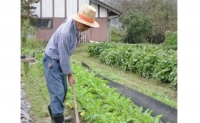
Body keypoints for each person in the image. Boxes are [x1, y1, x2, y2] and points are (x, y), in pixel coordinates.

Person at [42, 4, 99, 123]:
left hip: (59, 59)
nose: (87, 29)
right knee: (57, 93)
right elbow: (63, 56)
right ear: (79, 22)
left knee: (63, 91)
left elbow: (65, 55)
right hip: (52, 61)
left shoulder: (75, 26)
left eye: (89, 26)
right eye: (86, 26)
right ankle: (58, 119)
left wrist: (68, 72)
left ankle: (56, 116)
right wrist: (70, 74)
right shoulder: (66, 33)